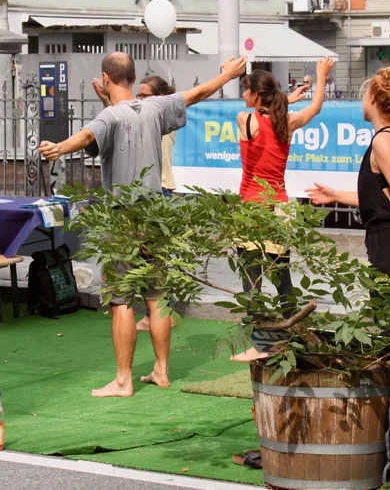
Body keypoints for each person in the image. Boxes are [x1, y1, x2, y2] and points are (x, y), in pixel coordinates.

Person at [40, 52, 247, 397]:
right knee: (157, 295)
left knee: (121, 300)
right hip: (156, 214)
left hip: (123, 218)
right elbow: (196, 95)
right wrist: (226, 75)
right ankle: (162, 371)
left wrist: (59, 147)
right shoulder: (155, 107)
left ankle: (123, 380)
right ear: (134, 78)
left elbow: (89, 136)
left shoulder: (109, 115)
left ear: (106, 79)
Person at [306, 68, 390, 398]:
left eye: (364, 93)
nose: (361, 99)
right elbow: (385, 197)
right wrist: (337, 195)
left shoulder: (384, 140)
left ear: (373, 98)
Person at [232, 58, 335, 362]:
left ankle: (258, 345)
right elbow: (314, 108)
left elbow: (262, 110)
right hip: (279, 208)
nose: (242, 96)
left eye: (245, 91)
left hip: (252, 208)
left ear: (254, 96)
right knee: (282, 278)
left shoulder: (245, 120)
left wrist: (285, 98)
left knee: (251, 279)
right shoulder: (285, 123)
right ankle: (296, 338)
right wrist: (320, 76)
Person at [92, 74, 179, 332]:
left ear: (160, 98)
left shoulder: (159, 117)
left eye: (145, 95)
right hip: (148, 195)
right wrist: (109, 100)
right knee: (145, 266)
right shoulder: (146, 113)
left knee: (152, 271)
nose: (140, 100)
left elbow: (129, 123)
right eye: (138, 95)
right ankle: (156, 312)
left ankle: (163, 311)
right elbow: (124, 123)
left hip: (157, 191)